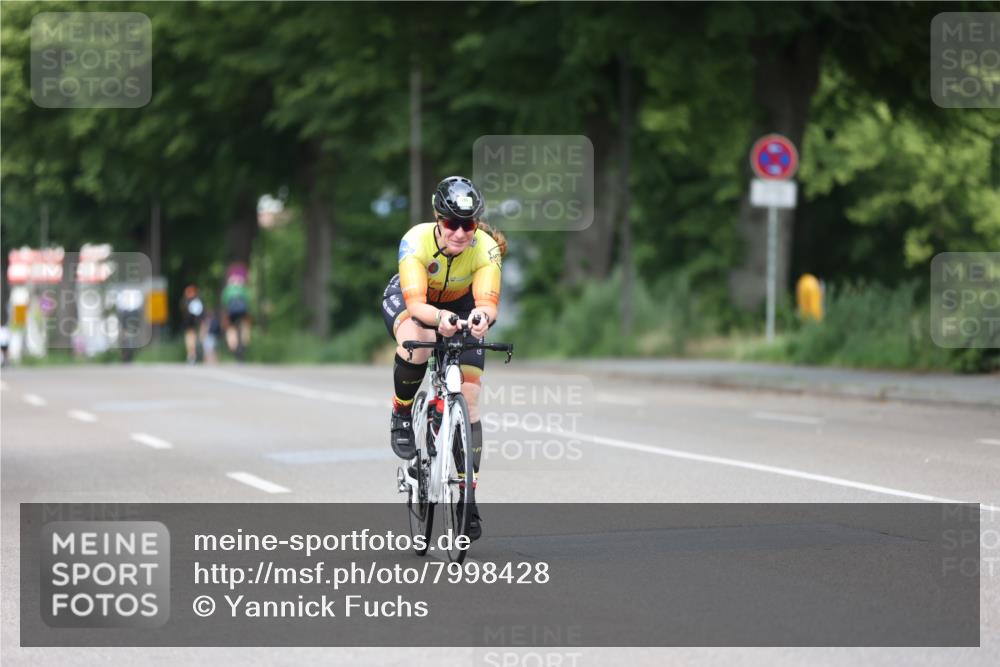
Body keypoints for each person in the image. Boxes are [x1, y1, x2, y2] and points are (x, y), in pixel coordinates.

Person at [380, 176, 506, 540]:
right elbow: (417, 305)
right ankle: (402, 412)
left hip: (462, 304)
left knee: (470, 397)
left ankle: (468, 496)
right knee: (419, 340)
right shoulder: (415, 241)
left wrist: (481, 318)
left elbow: (487, 305)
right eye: (452, 223)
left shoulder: (486, 249)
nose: (460, 233)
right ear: (438, 219)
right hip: (415, 301)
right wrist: (439, 320)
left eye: (469, 224)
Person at [221, 266, 252, 360]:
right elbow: (248, 300)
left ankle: (233, 346)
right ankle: (244, 344)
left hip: (231, 311)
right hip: (243, 310)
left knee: (230, 328)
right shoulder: (243, 288)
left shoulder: (228, 289)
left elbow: (224, 301)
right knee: (245, 326)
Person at [180, 285, 205, 364]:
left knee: (190, 338)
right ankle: (192, 355)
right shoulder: (197, 301)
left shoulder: (186, 301)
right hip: (193, 323)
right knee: (191, 338)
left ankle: (191, 355)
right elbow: (201, 314)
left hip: (189, 323)